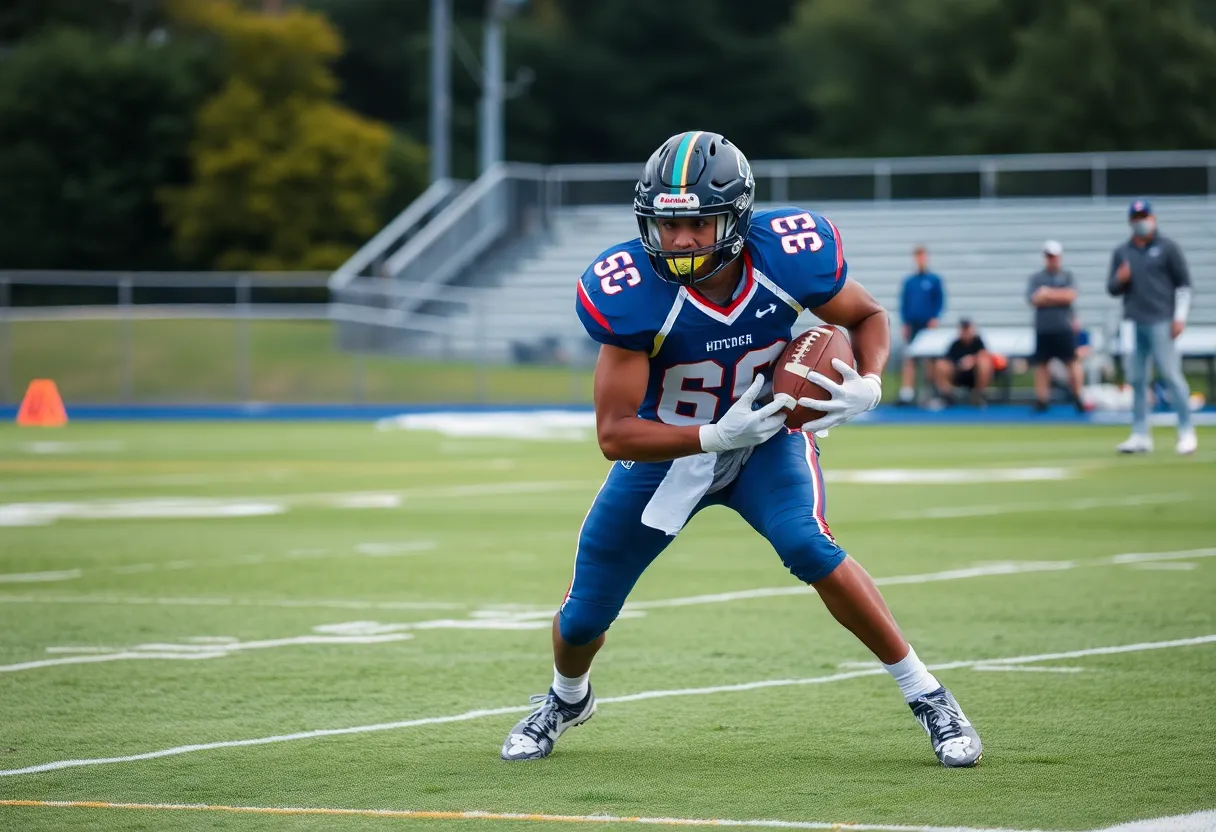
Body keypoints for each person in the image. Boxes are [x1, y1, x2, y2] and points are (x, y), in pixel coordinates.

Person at [500, 131, 981, 768]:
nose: (679, 240)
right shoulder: (632, 291)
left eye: (697, 223)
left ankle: (929, 696)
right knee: (583, 615)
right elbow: (614, 434)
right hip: (668, 452)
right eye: (666, 225)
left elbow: (867, 316)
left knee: (808, 544)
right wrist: (713, 435)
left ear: (735, 215)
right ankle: (567, 698)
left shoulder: (784, 258)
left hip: (769, 441)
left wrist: (869, 380)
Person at [1107, 199, 1196, 455]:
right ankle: (1140, 433)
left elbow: (1183, 285)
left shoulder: (1168, 248)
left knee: (1170, 375)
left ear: (1153, 218)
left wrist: (1180, 316)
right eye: (1136, 217)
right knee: (1137, 379)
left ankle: (1186, 430)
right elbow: (1112, 288)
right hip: (1134, 320)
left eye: (1144, 216)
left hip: (1162, 319)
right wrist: (1120, 279)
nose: (1141, 222)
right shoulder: (1123, 251)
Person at [1027, 241, 1084, 412]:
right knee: (1042, 364)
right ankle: (1042, 399)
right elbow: (1034, 299)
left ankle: (1077, 396)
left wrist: (1047, 294)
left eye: (1054, 256)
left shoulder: (1067, 276)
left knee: (1072, 362)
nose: (1051, 260)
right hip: (1044, 328)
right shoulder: (1037, 278)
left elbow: (1070, 296)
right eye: (1049, 256)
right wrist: (1057, 295)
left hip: (1063, 327)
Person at [898, 246, 946, 405]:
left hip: (927, 325)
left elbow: (939, 301)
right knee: (910, 359)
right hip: (913, 324)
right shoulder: (909, 282)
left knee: (929, 360)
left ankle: (929, 392)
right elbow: (904, 303)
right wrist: (904, 322)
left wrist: (935, 317)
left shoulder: (934, 280)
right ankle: (907, 394)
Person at [932, 319, 993, 405]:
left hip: (974, 375)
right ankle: (947, 396)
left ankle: (979, 395)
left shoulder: (978, 343)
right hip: (958, 374)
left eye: (967, 329)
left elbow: (984, 355)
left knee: (984, 363)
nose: (965, 333)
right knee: (940, 365)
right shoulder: (955, 344)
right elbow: (947, 360)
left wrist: (972, 360)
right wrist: (959, 364)